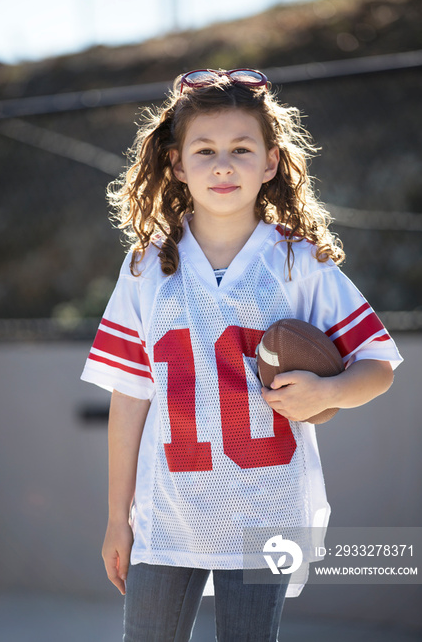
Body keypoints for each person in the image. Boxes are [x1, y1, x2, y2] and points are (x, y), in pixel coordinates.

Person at [81, 68, 402, 642]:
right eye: (204, 150)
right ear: (178, 164)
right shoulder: (146, 268)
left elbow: (377, 367)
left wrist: (328, 392)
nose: (223, 164)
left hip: (270, 509)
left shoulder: (300, 262)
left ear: (271, 161)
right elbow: (130, 399)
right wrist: (116, 518)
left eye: (241, 148)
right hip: (169, 509)